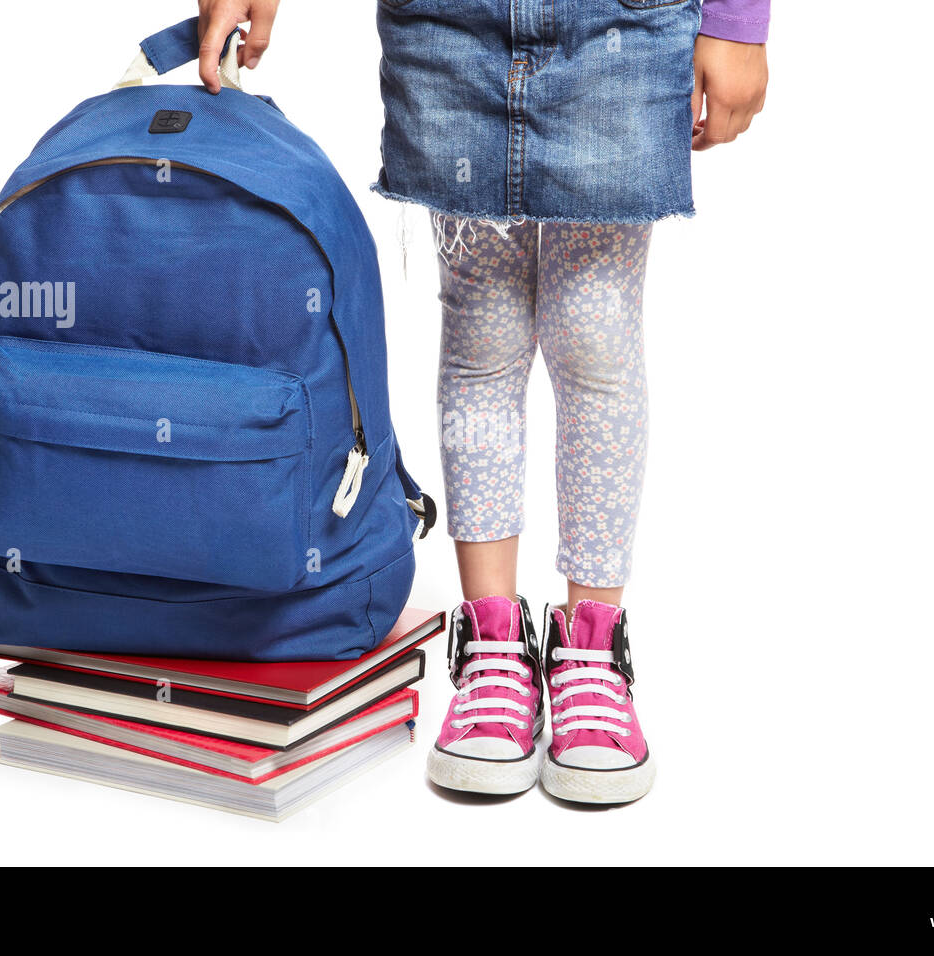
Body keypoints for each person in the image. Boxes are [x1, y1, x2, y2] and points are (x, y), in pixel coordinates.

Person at [195, 0, 770, 804]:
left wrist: (739, 19)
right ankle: (493, 636)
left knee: (595, 334)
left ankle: (593, 647)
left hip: (621, 28)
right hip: (451, 25)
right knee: (482, 330)